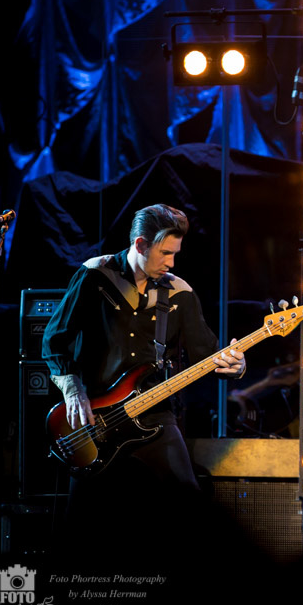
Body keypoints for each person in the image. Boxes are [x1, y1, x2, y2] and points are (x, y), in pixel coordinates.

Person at [42, 203, 245, 490]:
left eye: (175, 254)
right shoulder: (95, 276)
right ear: (140, 244)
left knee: (189, 499)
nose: (171, 263)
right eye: (165, 253)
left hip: (155, 413)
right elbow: (54, 340)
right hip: (95, 416)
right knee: (82, 521)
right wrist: (73, 389)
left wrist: (236, 367)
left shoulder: (180, 293)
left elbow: (208, 356)